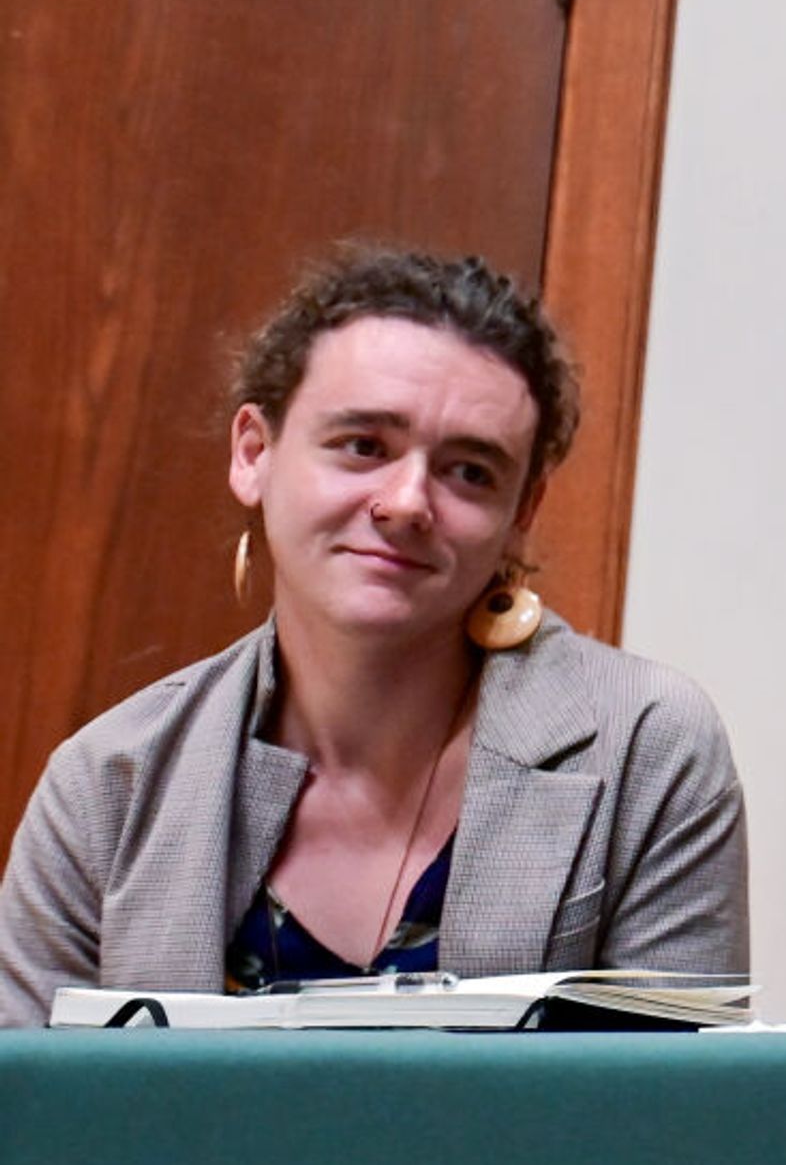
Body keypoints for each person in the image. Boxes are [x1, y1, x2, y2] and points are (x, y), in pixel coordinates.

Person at [0, 248, 748, 1026]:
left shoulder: (647, 748)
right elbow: (30, 1130)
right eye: (364, 445)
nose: (406, 502)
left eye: (470, 472)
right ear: (254, 453)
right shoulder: (106, 786)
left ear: (523, 510)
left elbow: (675, 1131)